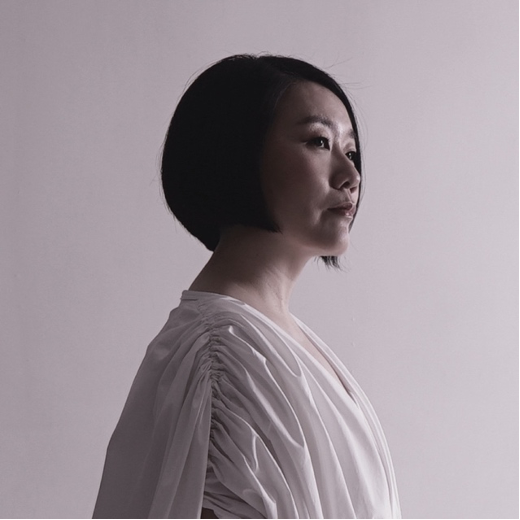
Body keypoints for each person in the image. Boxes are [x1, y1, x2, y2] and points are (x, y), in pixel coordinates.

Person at [92, 54, 402, 519]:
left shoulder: (270, 342)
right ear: (238, 153)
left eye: (352, 152)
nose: (351, 177)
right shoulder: (224, 359)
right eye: (319, 142)